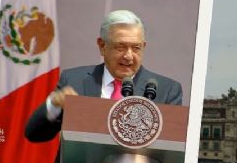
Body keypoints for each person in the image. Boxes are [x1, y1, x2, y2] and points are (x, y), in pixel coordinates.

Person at [25, 9, 183, 145]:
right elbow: (34, 134)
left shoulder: (167, 90)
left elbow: (172, 146)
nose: (129, 56)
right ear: (102, 46)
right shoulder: (74, 81)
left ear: (144, 47)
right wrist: (54, 104)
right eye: (120, 47)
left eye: (136, 48)